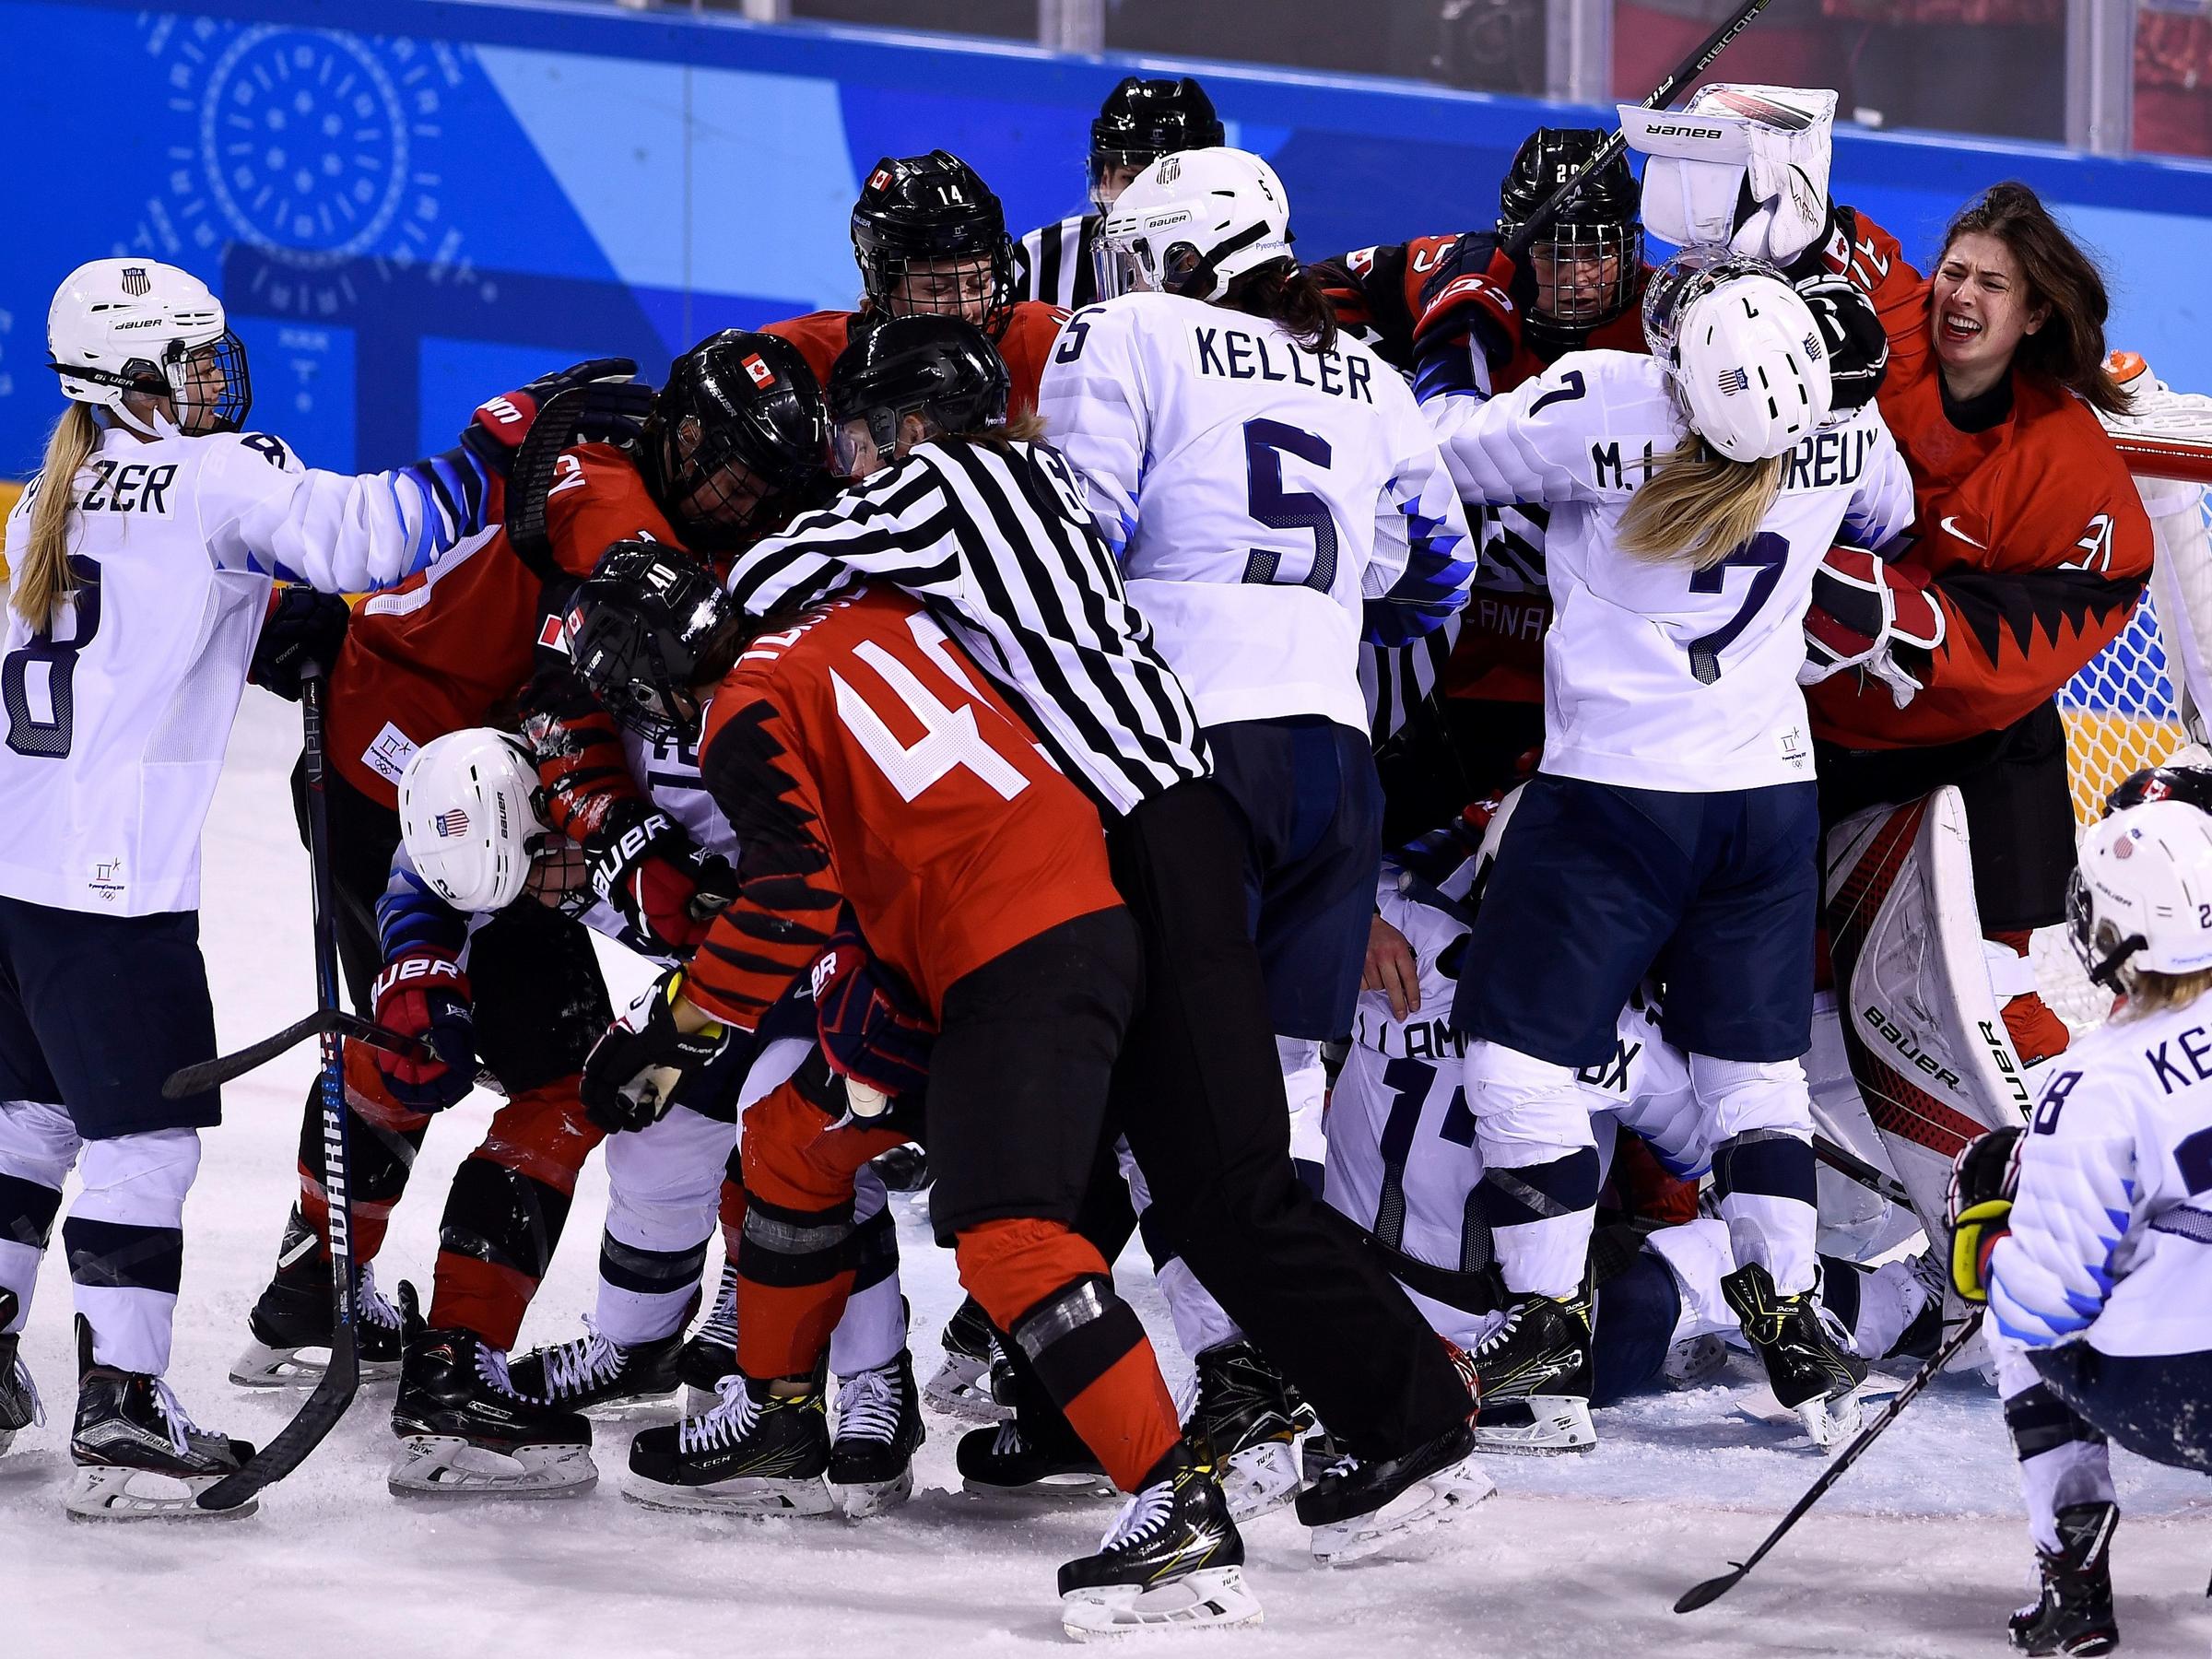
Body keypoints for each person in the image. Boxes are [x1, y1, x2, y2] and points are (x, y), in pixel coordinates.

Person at [721, 313, 1486, 1564]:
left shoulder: (954, 480)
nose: (852, 464)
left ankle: (1371, 1420)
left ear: (913, 423)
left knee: (1196, 1181)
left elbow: (767, 583)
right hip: (1166, 826)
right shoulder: (1028, 489)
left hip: (1150, 836)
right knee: (1182, 1178)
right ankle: (1383, 1410)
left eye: (862, 436)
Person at [562, 540, 1260, 1636]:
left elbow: (793, 896)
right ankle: (782, 1423)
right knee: (792, 1139)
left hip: (1010, 959)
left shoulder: (741, 706)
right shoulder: (866, 616)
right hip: (1015, 932)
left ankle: (1180, 1507)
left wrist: (673, 1022)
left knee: (1008, 1239)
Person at [232, 331, 830, 1500]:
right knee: (551, 1076)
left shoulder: (598, 433)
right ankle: (455, 1380)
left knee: (410, 1035)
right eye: (724, 475)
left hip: (391, 749)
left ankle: (312, 1275)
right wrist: (635, 850)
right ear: (681, 435)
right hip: (442, 779)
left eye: (758, 487)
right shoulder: (614, 512)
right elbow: (573, 693)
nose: (731, 504)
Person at [0, 258, 489, 1517]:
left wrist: (255, 620)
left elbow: (145, 616)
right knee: (145, 1144)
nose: (219, 379)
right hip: (113, 884)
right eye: (194, 362)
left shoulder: (43, 498)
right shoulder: (220, 474)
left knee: (32, 1120)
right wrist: (504, 453)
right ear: (131, 378)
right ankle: (121, 1413)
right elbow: (375, 536)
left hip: (17, 861)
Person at [1422, 251, 1916, 1448]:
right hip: (1766, 798)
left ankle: (1543, 1306)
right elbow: (1889, 527)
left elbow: (1431, 445)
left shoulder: (1611, 401)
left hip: (1616, 800)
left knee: (1516, 1064)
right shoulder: (1844, 422)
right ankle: (1791, 1310)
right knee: (1757, 1081)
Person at [381, 724, 922, 1508]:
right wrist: (415, 979)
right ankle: (636, 1346)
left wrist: (675, 1018)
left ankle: (876, 1382)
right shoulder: (505, 807)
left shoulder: (692, 776)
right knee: (651, 1143)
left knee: (798, 1142)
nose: (543, 894)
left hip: (845, 971)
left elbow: (811, 907)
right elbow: (423, 875)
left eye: (538, 867)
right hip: (723, 988)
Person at [1338, 813, 1947, 1442]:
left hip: (1340, 1321)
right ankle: (1910, 1310)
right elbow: (1697, 1148)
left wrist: (1353, 918)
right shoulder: (1616, 1027)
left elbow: (1300, 882)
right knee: (1714, 1250)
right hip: (1497, 1362)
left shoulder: (1389, 919)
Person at [1815, 182, 2157, 1069]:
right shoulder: (1883, 346)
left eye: (1993, 285)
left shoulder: (2067, 461)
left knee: (1986, 997)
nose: (1960, 296)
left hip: (1965, 743)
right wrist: (1779, 185)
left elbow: (2095, 593)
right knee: (1786, 974)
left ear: (2037, 313)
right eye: (1953, 273)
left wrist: (1904, 620)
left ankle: (2043, 1146)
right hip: (1812, 725)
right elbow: (1840, 239)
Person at [1949, 784, 2212, 1656]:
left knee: (2018, 1327)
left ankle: (2077, 1585)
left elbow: (2045, 1306)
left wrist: (1990, 1249)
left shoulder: (2093, 1081)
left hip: (2183, 1396)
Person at [764, 150, 1067, 418]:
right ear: (881, 283)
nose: (965, 308)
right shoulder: (797, 357)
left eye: (979, 283)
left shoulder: (1042, 340)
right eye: (937, 290)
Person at [1011, 75, 1224, 312]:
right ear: (1104, 179)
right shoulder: (1033, 264)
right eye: (1131, 179)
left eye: (1173, 184)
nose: (1149, 203)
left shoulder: (1239, 270)